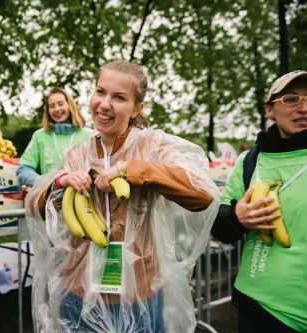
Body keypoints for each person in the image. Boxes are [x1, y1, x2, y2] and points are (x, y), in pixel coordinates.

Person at [25, 60, 218, 332]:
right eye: (100, 91)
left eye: (118, 97)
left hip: (140, 297)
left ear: (137, 107)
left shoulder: (151, 146)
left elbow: (203, 193)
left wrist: (135, 171)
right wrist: (59, 182)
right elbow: (34, 205)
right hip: (79, 295)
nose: (104, 104)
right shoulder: (76, 154)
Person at [212, 70, 307, 332]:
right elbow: (218, 226)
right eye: (291, 99)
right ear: (270, 110)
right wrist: (236, 217)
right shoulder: (250, 161)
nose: (304, 108)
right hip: (254, 308)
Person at [17, 87, 92, 187]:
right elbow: (23, 170)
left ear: (70, 105)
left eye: (60, 104)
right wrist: (47, 183)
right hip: (48, 198)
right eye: (52, 106)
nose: (57, 109)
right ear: (48, 111)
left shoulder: (89, 135)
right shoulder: (40, 136)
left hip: (83, 195)